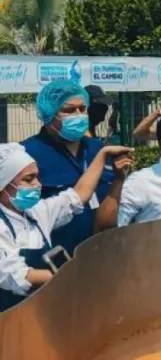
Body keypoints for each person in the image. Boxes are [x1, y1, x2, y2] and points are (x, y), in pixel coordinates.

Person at [0, 142, 131, 311]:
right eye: (28, 179)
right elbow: (14, 275)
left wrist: (103, 155)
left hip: (42, 308)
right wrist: (69, 276)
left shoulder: (35, 212)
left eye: (37, 177)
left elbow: (78, 195)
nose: (38, 184)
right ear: (4, 184)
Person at [22, 81, 120, 256]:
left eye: (83, 109)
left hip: (100, 255)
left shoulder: (98, 149)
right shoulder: (26, 154)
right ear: (49, 114)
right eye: (68, 110)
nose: (79, 115)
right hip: (51, 260)